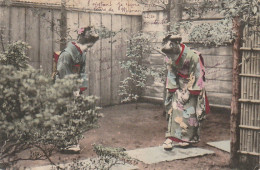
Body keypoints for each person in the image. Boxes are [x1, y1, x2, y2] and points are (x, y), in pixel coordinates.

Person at [54, 26, 99, 153]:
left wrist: (79, 89)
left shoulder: (82, 53)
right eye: (89, 46)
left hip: (74, 87)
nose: (89, 49)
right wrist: (73, 89)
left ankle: (72, 141)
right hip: (63, 87)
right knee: (65, 114)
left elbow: (82, 72)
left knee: (74, 113)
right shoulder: (67, 54)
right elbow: (63, 73)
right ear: (82, 42)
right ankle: (64, 143)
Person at [161, 34, 210, 150]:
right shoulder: (169, 57)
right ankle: (171, 137)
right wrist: (175, 90)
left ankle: (187, 139)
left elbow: (198, 75)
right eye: (169, 56)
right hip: (178, 85)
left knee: (190, 111)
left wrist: (188, 92)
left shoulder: (193, 56)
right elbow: (171, 74)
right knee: (174, 108)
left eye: (172, 56)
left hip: (193, 86)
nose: (170, 58)